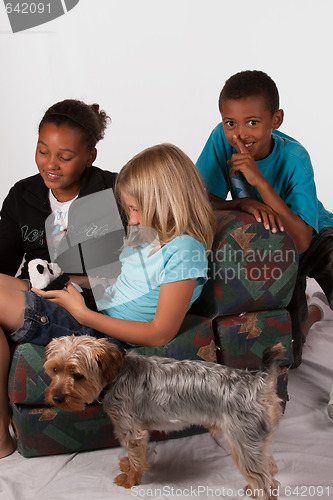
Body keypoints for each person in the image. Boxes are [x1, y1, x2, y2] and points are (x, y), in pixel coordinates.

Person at [0, 143, 215, 458]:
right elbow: (121, 282)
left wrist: (82, 314)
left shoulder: (184, 250)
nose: (133, 219)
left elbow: (160, 332)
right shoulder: (150, 234)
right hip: (90, 307)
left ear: (168, 201)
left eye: (136, 209)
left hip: (98, 331)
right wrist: (68, 281)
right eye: (129, 209)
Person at [196, 69, 333, 368]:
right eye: (230, 122)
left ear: (276, 120)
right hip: (271, 246)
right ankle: (314, 312)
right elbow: (197, 198)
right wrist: (241, 203)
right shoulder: (222, 139)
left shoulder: (295, 158)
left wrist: (259, 182)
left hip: (314, 235)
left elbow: (301, 240)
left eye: (253, 123)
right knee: (289, 359)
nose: (240, 134)